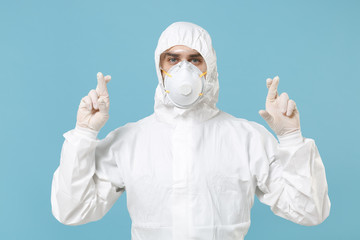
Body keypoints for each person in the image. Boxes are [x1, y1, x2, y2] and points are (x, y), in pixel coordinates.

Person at [51, 22, 331, 240]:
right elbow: (72, 210)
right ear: (159, 67)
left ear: (209, 68)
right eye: (173, 59)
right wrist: (84, 134)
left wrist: (291, 138)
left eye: (195, 60)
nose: (184, 70)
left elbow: (310, 211)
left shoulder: (246, 138)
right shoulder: (130, 140)